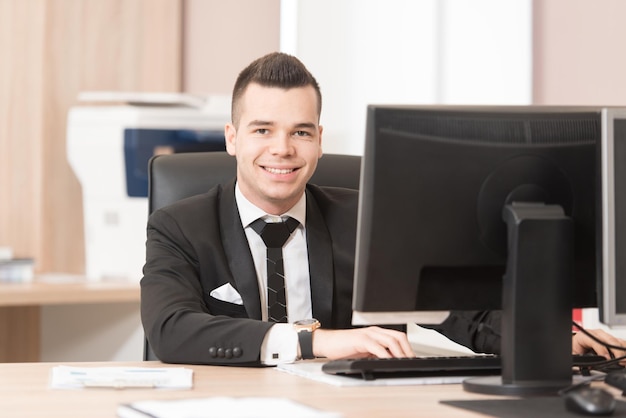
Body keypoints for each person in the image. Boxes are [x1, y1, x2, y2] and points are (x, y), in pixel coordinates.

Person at [141, 51, 626, 366]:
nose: (283, 149)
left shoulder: (368, 219)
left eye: (301, 132)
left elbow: (466, 310)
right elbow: (170, 329)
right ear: (232, 138)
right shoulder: (180, 226)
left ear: (319, 142)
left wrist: (546, 336)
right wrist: (316, 342)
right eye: (262, 130)